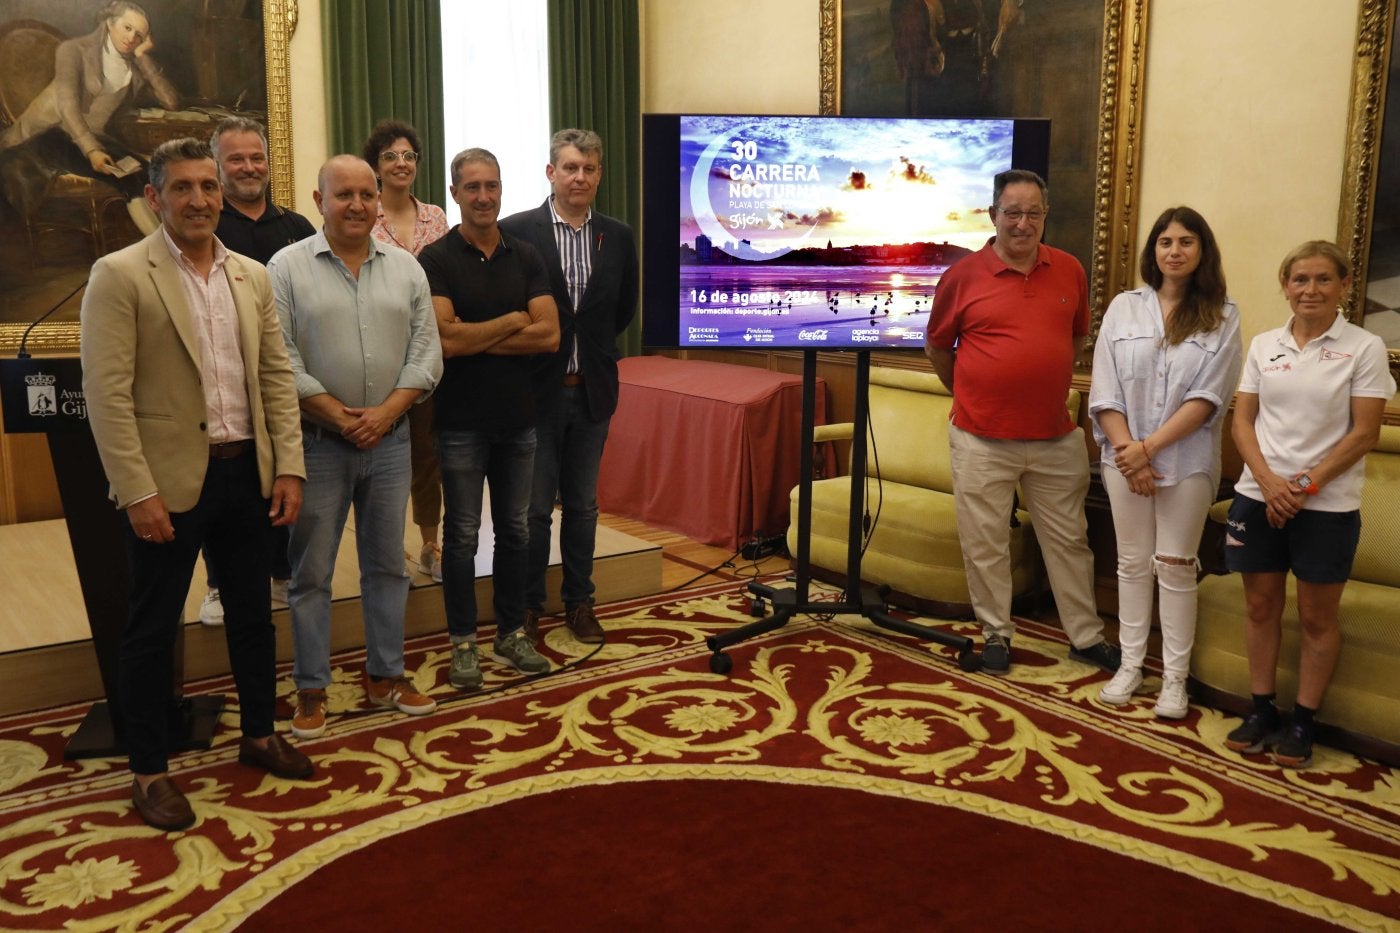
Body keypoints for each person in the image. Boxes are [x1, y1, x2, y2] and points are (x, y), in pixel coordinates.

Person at [80, 137, 312, 833]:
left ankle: (260, 733)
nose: (201, 199)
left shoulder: (250, 275)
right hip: (169, 483)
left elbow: (275, 375)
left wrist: (290, 464)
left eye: (208, 187)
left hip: (248, 472)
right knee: (152, 630)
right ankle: (149, 771)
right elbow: (107, 395)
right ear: (155, 198)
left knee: (251, 616)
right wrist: (137, 491)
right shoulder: (120, 275)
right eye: (183, 188)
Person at [268, 154, 443, 738]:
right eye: (343, 194)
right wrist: (339, 417)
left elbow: (427, 355)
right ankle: (311, 688)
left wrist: (387, 413)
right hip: (318, 445)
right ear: (319, 202)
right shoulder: (286, 269)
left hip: (391, 443)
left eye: (367, 194)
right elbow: (279, 360)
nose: (358, 205)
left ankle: (386, 675)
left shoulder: (406, 268)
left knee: (387, 568)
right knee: (311, 574)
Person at [924, 168, 1121, 677]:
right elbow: (938, 347)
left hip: (1056, 439)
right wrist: (975, 392)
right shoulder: (961, 277)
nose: (1022, 223)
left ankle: (1086, 637)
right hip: (980, 438)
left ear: (1044, 216)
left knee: (1070, 542)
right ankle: (996, 634)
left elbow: (1075, 340)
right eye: (1012, 212)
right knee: (986, 543)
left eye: (1033, 213)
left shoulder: (1070, 270)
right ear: (993, 216)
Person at [1222, 240, 1394, 768]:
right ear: (1285, 286)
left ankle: (1303, 720)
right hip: (1259, 497)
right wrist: (1270, 484)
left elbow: (1364, 433)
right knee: (1260, 606)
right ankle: (1261, 709)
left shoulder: (1364, 348)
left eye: (1323, 279)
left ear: (1344, 286)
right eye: (1300, 279)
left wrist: (1301, 487)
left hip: (1326, 506)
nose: (1310, 290)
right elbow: (1242, 422)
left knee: (1319, 618)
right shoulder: (1265, 344)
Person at [1088, 206, 1242, 718]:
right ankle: (1131, 665)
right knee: (1131, 564)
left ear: (1203, 251)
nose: (1174, 251)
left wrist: (1147, 450)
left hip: (1187, 461)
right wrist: (1129, 452)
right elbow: (1105, 389)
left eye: (1186, 242)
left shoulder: (1223, 314)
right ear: (1153, 251)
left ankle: (1174, 679)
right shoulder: (1123, 308)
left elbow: (1207, 398)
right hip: (1122, 456)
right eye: (1165, 242)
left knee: (1175, 567)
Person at [418, 148, 560, 689]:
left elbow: (548, 335)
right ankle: (461, 643)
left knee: (516, 533)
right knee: (459, 537)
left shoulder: (525, 256)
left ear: (502, 191)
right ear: (455, 193)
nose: (484, 196)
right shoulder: (436, 258)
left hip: (519, 420)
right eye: (472, 187)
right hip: (458, 422)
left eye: (492, 186)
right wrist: (510, 321)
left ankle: (509, 633)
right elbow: (444, 341)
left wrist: (476, 334)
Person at [499, 128, 638, 645]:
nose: (580, 176)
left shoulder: (618, 236)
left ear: (599, 175)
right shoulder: (517, 231)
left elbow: (622, 308)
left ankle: (579, 602)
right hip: (535, 393)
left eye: (590, 168)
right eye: (571, 167)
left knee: (582, 507)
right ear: (550, 172)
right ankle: (530, 606)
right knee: (533, 511)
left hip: (594, 391)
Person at [196, 116, 316, 626]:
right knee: (225, 490)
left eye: (256, 158)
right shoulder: (204, 227)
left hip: (286, 379)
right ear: (218, 167)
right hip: (220, 384)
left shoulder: (297, 228)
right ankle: (219, 585)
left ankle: (283, 573)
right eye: (236, 159)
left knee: (283, 480)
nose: (249, 168)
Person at [361, 119, 450, 580]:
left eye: (409, 156)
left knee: (427, 453)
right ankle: (389, 547)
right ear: (376, 166)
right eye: (391, 156)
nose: (401, 163)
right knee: (384, 458)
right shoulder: (363, 214)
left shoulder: (435, 216)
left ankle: (431, 542)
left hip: (431, 350)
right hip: (379, 350)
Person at [0, 1, 177, 229]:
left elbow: (171, 102)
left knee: (147, 174)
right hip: (47, 137)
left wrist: (143, 57)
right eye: (127, 27)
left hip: (90, 138)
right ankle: (164, 252)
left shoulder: (132, 67)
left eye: (139, 34)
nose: (132, 37)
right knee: (128, 178)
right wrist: (92, 150)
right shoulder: (74, 50)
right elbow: (67, 106)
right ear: (110, 23)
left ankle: (174, 247)